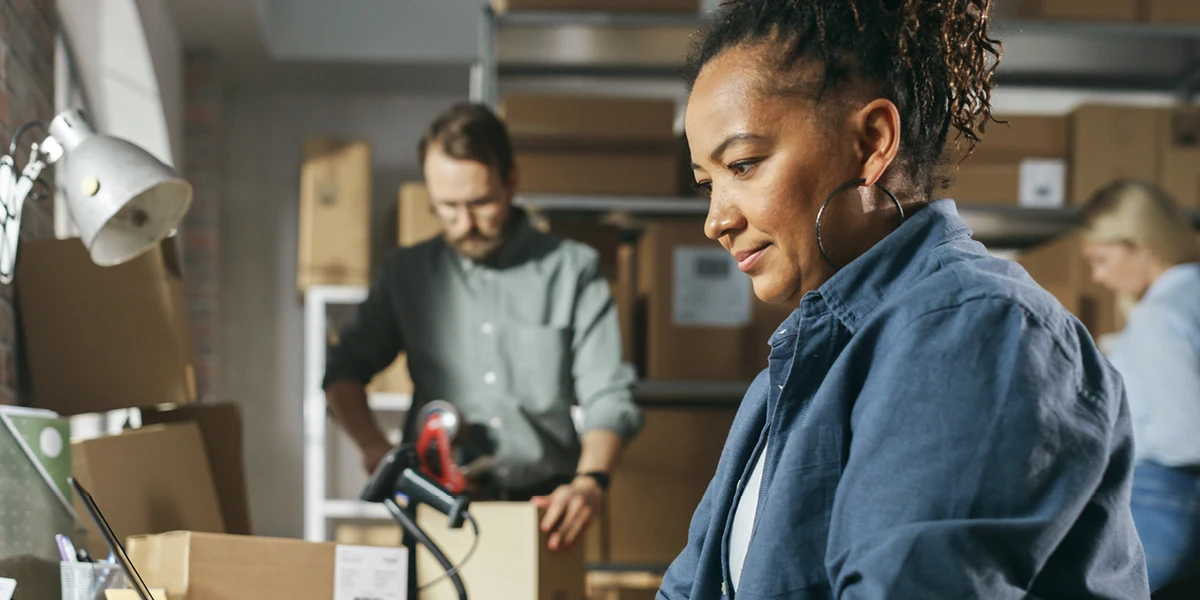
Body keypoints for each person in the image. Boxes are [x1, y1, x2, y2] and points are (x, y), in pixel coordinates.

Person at [658, 0, 1149, 598]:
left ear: (873, 142)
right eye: (706, 184)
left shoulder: (975, 330)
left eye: (743, 165)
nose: (716, 221)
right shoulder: (793, 370)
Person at [323, 102, 643, 553]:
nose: (465, 224)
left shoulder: (573, 270)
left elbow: (608, 393)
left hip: (543, 512)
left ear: (511, 181)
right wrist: (375, 449)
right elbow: (342, 373)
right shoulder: (406, 274)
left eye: (480, 204)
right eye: (447, 208)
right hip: (434, 509)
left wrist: (591, 481)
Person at [1079, 180, 1200, 592]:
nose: (1098, 277)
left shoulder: (1159, 316)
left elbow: (1185, 435)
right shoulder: (1189, 298)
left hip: (1162, 496)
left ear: (1141, 243)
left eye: (1102, 259)